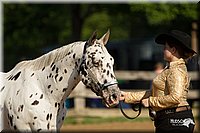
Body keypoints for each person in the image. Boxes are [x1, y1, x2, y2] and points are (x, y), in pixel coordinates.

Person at [120, 30, 196, 133]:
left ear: (173, 50)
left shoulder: (176, 70)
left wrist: (151, 101)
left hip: (175, 121)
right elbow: (154, 93)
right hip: (169, 119)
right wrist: (127, 96)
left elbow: (176, 97)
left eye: (165, 48)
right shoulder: (170, 69)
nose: (163, 50)